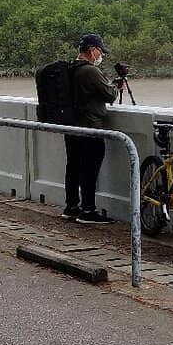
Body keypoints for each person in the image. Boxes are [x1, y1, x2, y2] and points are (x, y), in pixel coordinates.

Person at [63, 33, 119, 224]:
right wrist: (117, 86)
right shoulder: (90, 71)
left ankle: (71, 207)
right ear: (92, 50)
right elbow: (109, 95)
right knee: (89, 169)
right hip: (90, 127)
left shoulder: (69, 69)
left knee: (73, 167)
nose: (101, 55)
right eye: (100, 51)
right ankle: (88, 211)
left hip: (70, 126)